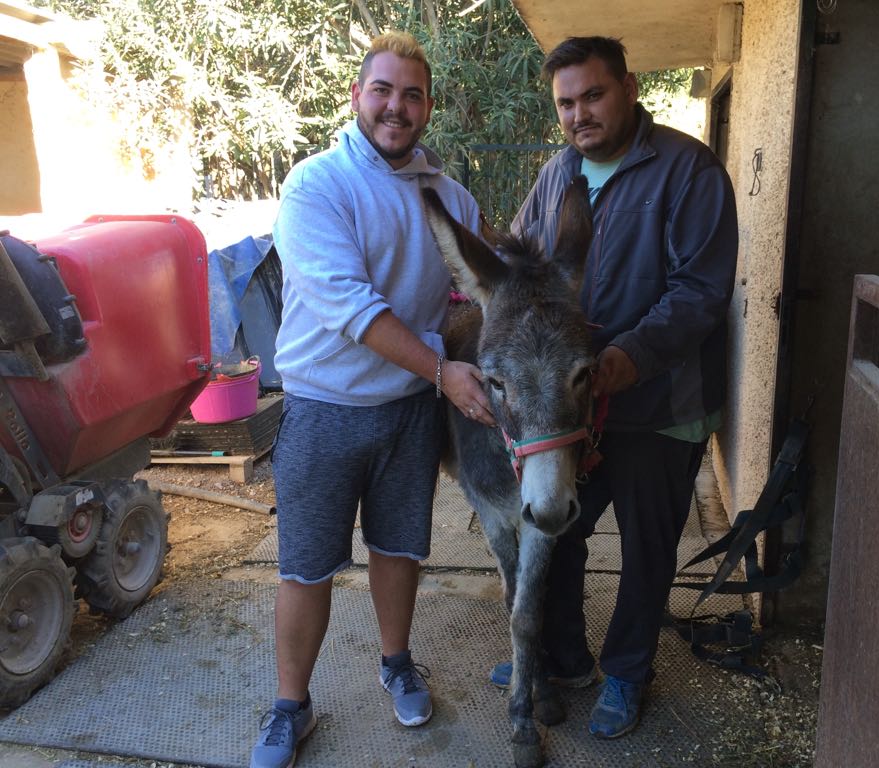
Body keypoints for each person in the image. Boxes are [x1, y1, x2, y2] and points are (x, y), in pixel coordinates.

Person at [250, 31, 495, 768]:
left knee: (399, 548)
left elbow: (495, 271)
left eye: (412, 95)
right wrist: (444, 371)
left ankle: (396, 663)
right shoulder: (317, 185)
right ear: (357, 96)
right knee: (306, 566)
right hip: (323, 408)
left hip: (408, 411)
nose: (396, 106)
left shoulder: (448, 197)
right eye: (383, 90)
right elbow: (349, 307)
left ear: (428, 108)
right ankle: (290, 705)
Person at [494, 36, 738, 739]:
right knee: (560, 531)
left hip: (662, 404)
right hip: (576, 408)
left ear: (629, 89)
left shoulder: (688, 170)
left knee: (646, 548)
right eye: (566, 103)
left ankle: (628, 672)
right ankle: (563, 657)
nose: (580, 114)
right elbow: (519, 271)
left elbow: (700, 292)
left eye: (593, 95)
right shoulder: (555, 175)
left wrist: (628, 356)